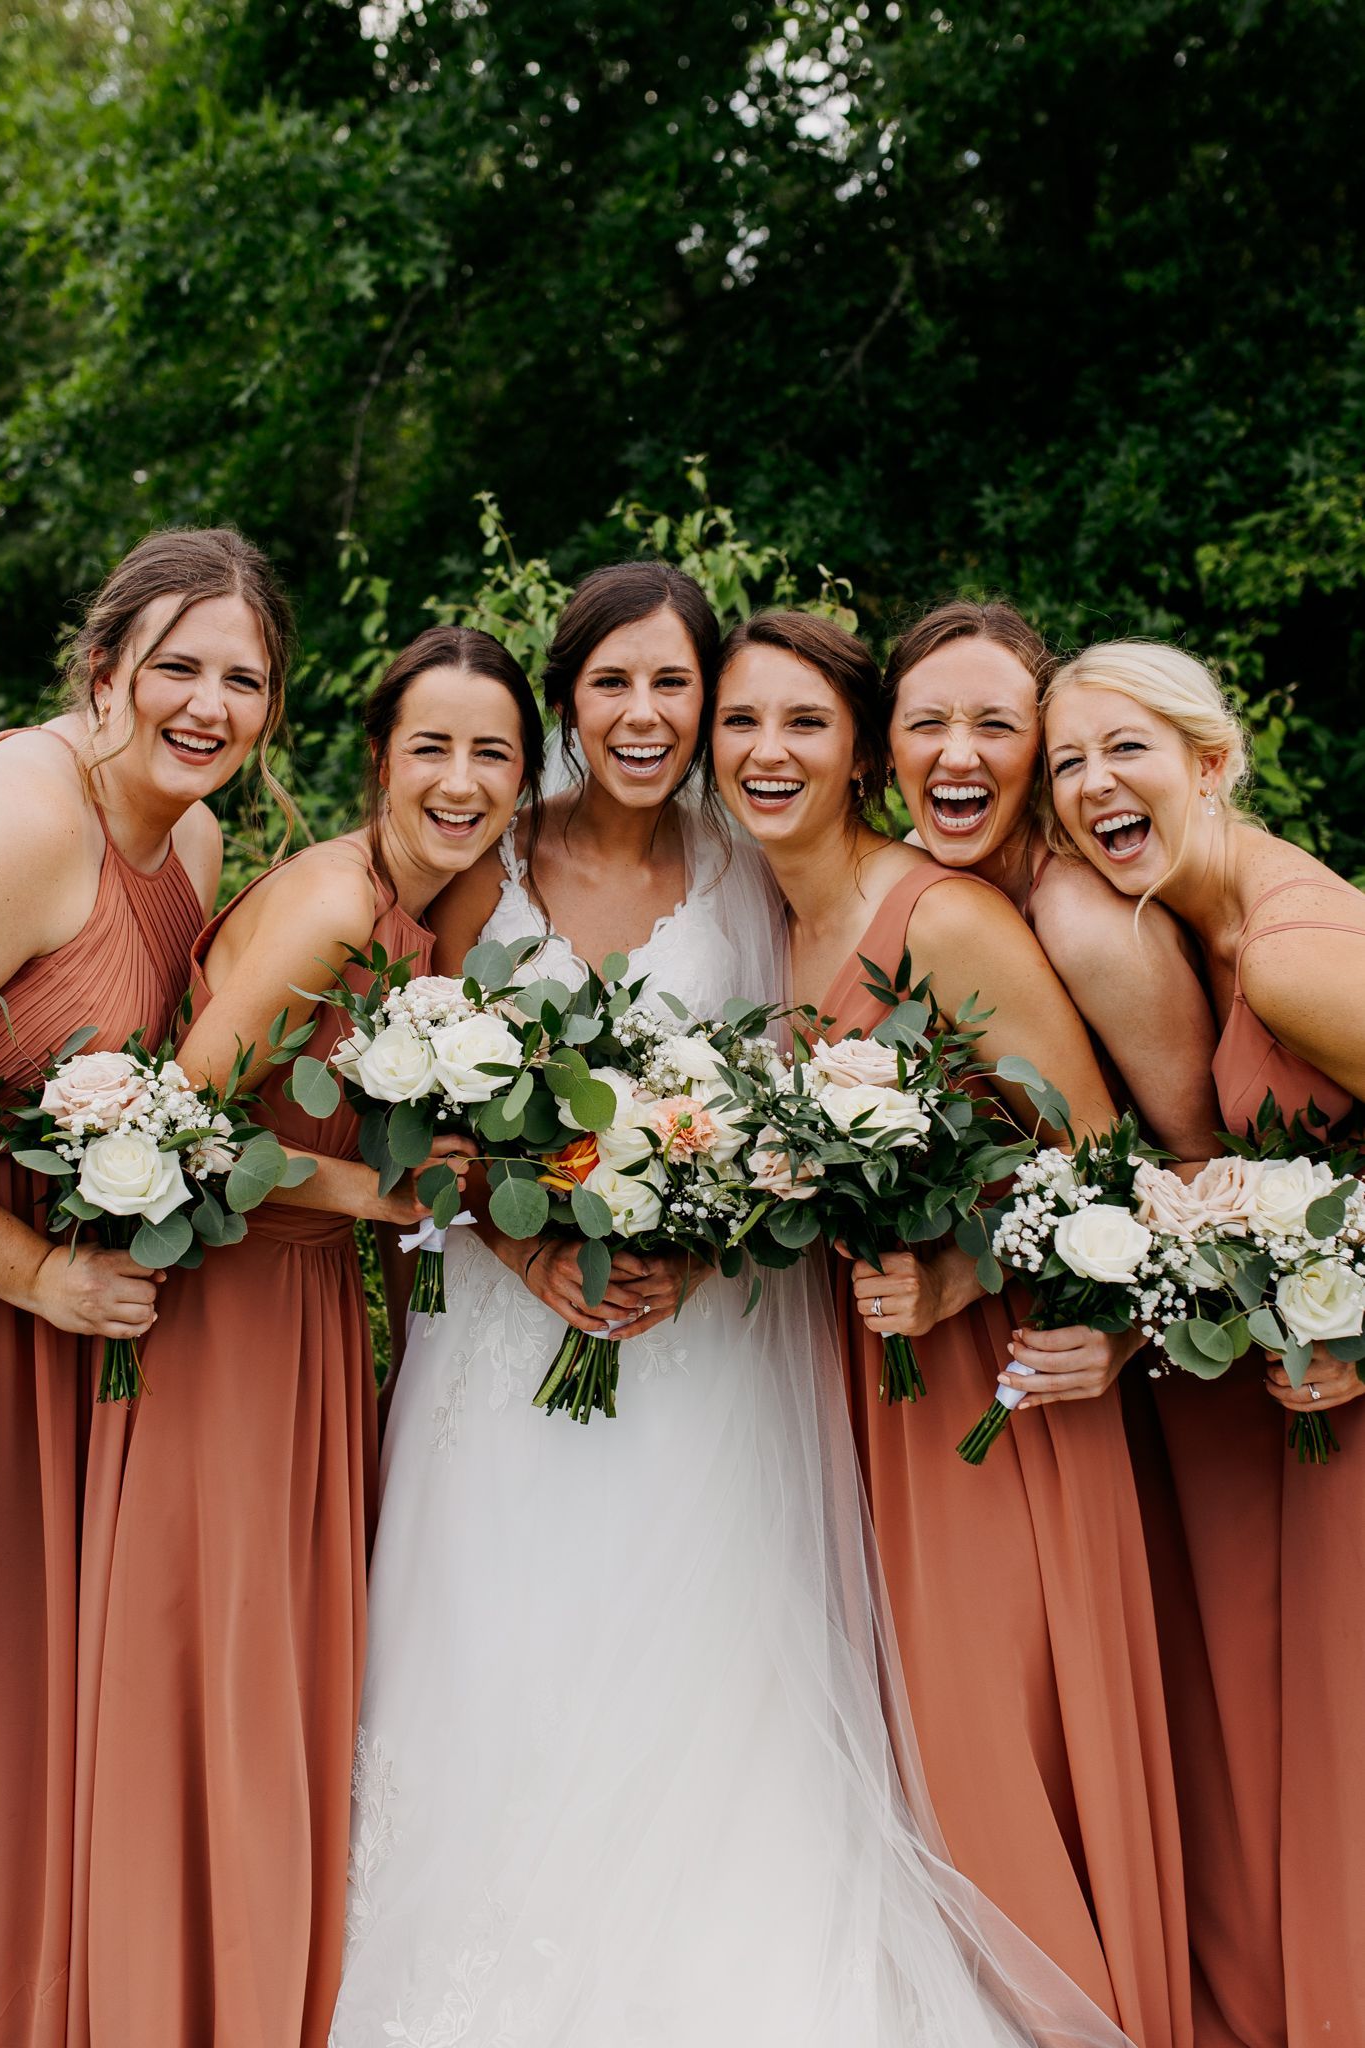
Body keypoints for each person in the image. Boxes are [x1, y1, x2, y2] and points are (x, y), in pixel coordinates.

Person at [330, 565, 1132, 2048]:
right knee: (486, 1648)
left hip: (711, 1348)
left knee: (703, 1671)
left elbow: (806, 1098)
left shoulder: (745, 863)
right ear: (564, 698)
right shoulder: (474, 858)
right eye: (610, 684)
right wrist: (515, 1247)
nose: (645, 715)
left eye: (674, 686)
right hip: (494, 1350)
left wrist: (708, 1236)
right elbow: (401, 1102)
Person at [713, 609, 1190, 2047]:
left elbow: (1101, 1153)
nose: (766, 752)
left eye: (804, 723)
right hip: (865, 1388)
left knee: (991, 1749)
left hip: (993, 1396)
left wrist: (960, 1283)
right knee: (913, 1749)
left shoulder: (945, 915)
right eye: (739, 723)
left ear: (850, 745)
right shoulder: (773, 912)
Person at [70, 627, 542, 2048]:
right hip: (229, 1318)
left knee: (270, 1669)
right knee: (212, 1661)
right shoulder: (337, 906)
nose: (460, 783)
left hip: (304, 1316)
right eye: (431, 750)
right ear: (375, 758)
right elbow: (170, 1126)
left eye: (492, 756)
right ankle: (179, 1999)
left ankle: (253, 1980)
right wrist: (372, 1189)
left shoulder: (416, 912)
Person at [0, 525, 284, 2047]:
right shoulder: (9, 827)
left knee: (16, 1710)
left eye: (242, 679)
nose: (208, 704)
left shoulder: (187, 836)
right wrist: (39, 1274)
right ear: (99, 665)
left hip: (54, 1311)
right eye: (175, 666)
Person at [1045, 639, 1365, 2048]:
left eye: (1123, 750)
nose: (1090, 785)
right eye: (1062, 763)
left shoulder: (1293, 961)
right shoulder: (1187, 924)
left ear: (1207, 761)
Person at [881, 598, 1220, 1161]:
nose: (959, 756)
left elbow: (1206, 1162)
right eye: (926, 723)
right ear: (888, 749)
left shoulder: (1088, 925)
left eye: (995, 725)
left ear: (1039, 752)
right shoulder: (914, 861)